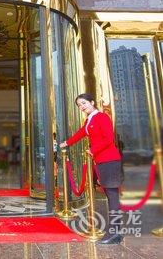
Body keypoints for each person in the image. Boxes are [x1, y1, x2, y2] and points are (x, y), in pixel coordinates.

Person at [59, 93, 123, 245]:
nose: (82, 107)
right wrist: (66, 143)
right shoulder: (89, 120)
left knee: (112, 196)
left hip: (110, 160)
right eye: (79, 105)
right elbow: (81, 134)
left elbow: (109, 139)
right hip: (101, 161)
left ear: (92, 102)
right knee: (110, 195)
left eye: (84, 103)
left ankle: (113, 233)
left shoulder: (101, 117)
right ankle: (116, 232)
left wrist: (92, 150)